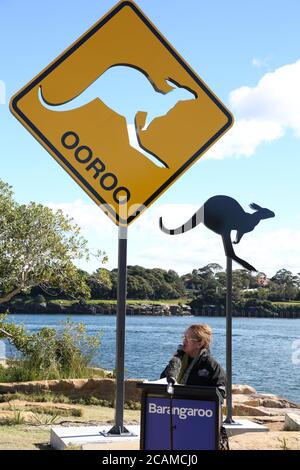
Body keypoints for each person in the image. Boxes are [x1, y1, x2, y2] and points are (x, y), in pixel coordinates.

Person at [160, 323, 229, 450]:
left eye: (188, 338)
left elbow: (220, 393)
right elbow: (162, 382)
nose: (184, 341)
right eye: (183, 337)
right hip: (175, 418)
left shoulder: (212, 366)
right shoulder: (177, 362)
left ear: (200, 343)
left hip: (200, 422)